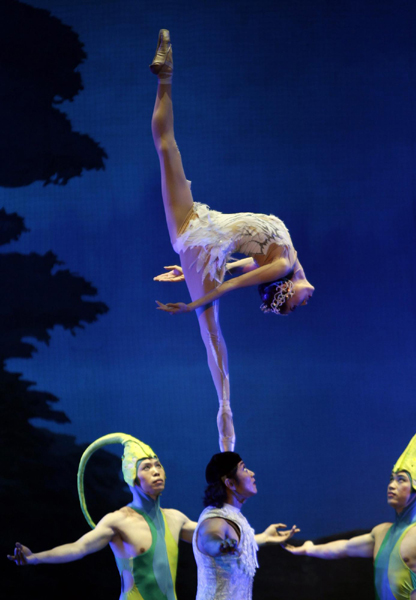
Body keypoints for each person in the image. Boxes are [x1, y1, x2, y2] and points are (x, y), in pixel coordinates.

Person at [149, 29, 315, 453]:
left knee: (214, 340)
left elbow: (230, 282)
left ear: (284, 287)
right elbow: (241, 269)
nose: (304, 301)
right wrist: (190, 275)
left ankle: (227, 440)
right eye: (296, 305)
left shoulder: (280, 266)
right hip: (201, 229)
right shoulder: (285, 260)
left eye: (294, 303)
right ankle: (164, 74)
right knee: (166, 148)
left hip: (203, 244)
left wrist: (194, 302)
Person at [8, 433, 197, 600]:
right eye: (146, 467)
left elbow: (211, 535)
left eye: (158, 465)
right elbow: (79, 547)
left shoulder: (176, 518)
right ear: (132, 476)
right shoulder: (118, 521)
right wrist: (35, 558)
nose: (156, 471)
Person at [285, 423, 416, 600]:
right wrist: (310, 549)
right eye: (391, 479)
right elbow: (345, 547)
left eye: (401, 480)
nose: (392, 485)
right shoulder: (381, 532)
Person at [193, 451, 299, 600]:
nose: (252, 473)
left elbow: (238, 546)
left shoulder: (231, 515)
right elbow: (210, 539)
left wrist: (264, 538)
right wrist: (220, 545)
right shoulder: (215, 519)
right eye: (244, 469)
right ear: (230, 483)